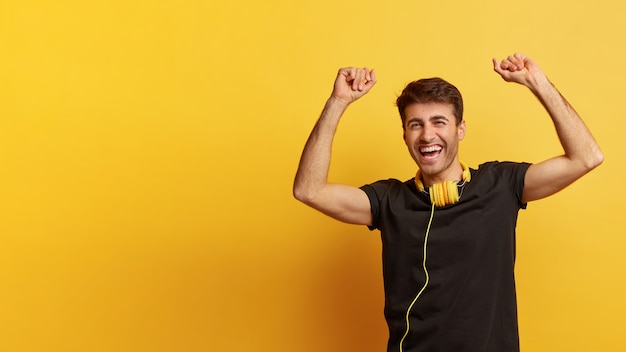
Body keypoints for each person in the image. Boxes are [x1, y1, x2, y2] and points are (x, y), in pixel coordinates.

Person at [292, 53, 603, 352]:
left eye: (439, 122)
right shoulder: (388, 201)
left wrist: (538, 83)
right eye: (416, 124)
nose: (427, 135)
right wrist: (337, 103)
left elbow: (587, 156)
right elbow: (309, 189)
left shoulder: (501, 185)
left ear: (461, 129)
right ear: (404, 135)